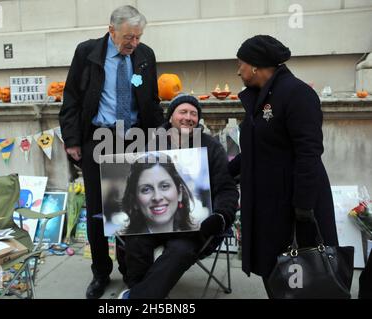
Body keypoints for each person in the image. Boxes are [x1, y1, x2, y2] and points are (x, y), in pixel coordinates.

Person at [59, 5, 164, 299]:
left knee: (131, 208)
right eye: (129, 37)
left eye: (138, 37)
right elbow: (71, 98)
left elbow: (151, 100)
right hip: (98, 137)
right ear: (111, 30)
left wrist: (163, 137)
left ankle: (131, 270)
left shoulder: (145, 56)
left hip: (133, 139)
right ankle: (100, 272)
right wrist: (72, 140)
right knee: (97, 211)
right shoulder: (87, 52)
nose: (134, 43)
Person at [229, 35, 339, 297]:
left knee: (303, 279)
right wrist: (220, 174)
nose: (238, 70)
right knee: (276, 274)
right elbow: (254, 151)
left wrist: (303, 207)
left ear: (256, 65)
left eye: (241, 63)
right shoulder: (259, 97)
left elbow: (309, 152)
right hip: (267, 207)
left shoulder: (297, 94)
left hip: (295, 208)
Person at [120, 94, 239, 299]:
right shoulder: (151, 144)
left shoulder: (212, 148)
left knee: (180, 249)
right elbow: (130, 183)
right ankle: (142, 289)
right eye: (183, 112)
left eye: (194, 113)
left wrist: (220, 216)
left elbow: (226, 189)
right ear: (171, 117)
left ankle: (136, 298)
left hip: (194, 227)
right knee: (135, 240)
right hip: (153, 220)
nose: (189, 117)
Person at [121, 152, 197, 235]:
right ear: (135, 201)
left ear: (179, 193)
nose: (157, 197)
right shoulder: (116, 243)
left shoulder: (198, 238)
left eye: (164, 186)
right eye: (146, 189)